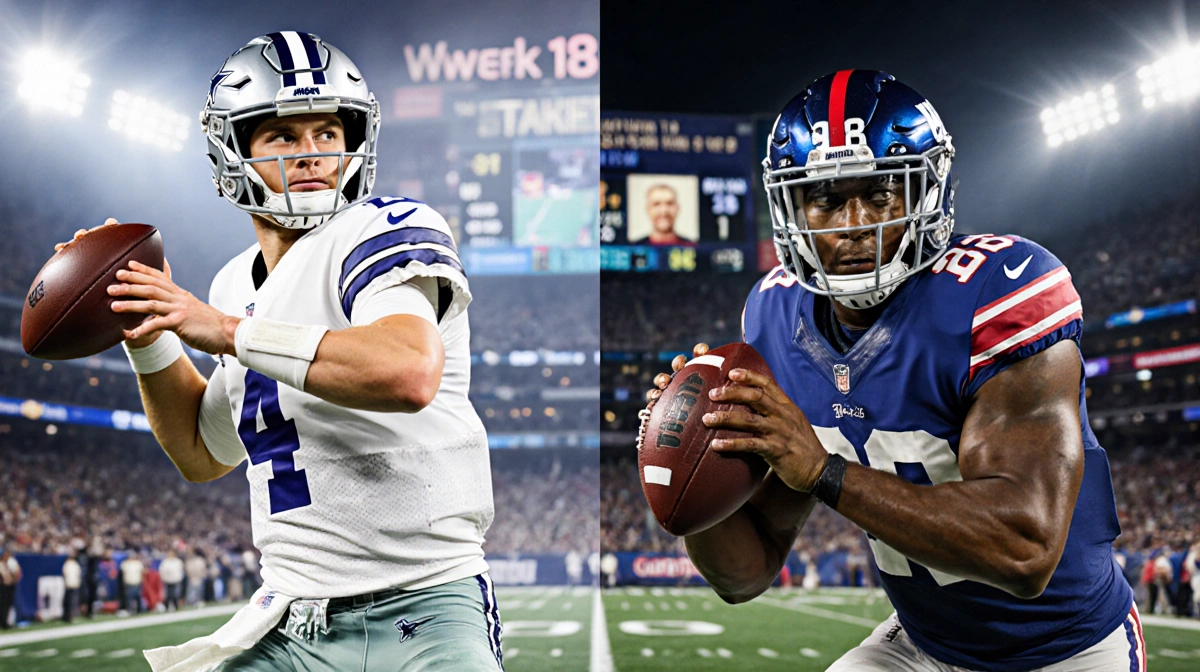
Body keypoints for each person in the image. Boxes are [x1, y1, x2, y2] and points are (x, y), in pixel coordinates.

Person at [645, 70, 1142, 670]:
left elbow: (1025, 549)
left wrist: (824, 472)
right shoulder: (775, 317)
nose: (854, 221)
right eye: (826, 199)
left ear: (925, 194)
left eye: (880, 193)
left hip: (1066, 649)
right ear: (791, 209)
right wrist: (682, 473)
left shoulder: (1000, 292)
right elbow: (746, 573)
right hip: (925, 643)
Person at [56, 31, 498, 671]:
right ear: (232, 150)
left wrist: (226, 330)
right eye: (284, 136)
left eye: (327, 132)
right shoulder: (233, 284)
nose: (313, 153)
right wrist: (150, 334)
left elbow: (408, 371)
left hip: (424, 605)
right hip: (289, 618)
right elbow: (205, 454)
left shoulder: (386, 227)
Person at [630, 184, 695, 246]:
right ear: (648, 209)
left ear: (677, 208)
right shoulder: (634, 249)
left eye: (669, 204)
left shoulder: (691, 247)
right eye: (656, 204)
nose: (663, 211)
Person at [0, 547, 19, 629]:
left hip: (7, 587)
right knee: (3, 605)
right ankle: (3, 622)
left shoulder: (5, 564)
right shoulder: (1, 564)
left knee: (6, 605)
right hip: (3, 587)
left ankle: (5, 622)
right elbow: (4, 577)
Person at [62, 551, 82, 622]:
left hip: (74, 585)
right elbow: (66, 575)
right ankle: (68, 616)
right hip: (70, 585)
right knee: (69, 602)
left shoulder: (75, 564)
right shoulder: (67, 564)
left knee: (73, 602)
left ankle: (72, 616)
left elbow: (78, 574)